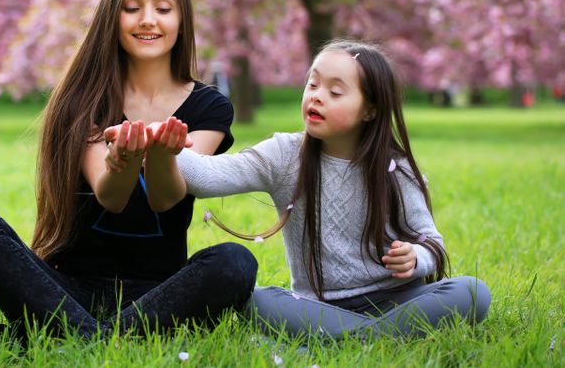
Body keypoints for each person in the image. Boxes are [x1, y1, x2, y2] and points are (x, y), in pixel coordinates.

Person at [0, 0, 257, 342]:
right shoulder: (84, 98)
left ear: (181, 21)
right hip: (67, 286)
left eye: (163, 8)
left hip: (159, 294)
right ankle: (100, 337)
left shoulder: (209, 106)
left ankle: (67, 335)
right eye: (131, 8)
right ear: (113, 18)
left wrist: (162, 153)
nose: (147, 19)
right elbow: (110, 195)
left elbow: (166, 198)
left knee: (235, 262)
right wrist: (123, 158)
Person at [157, 39, 491, 338]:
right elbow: (207, 176)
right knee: (257, 302)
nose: (316, 96)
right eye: (312, 84)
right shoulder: (285, 155)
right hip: (318, 307)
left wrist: (415, 257)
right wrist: (158, 141)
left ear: (370, 110)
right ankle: (379, 337)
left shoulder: (394, 169)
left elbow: (431, 241)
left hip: (397, 299)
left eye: (335, 92)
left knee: (473, 292)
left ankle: (351, 337)